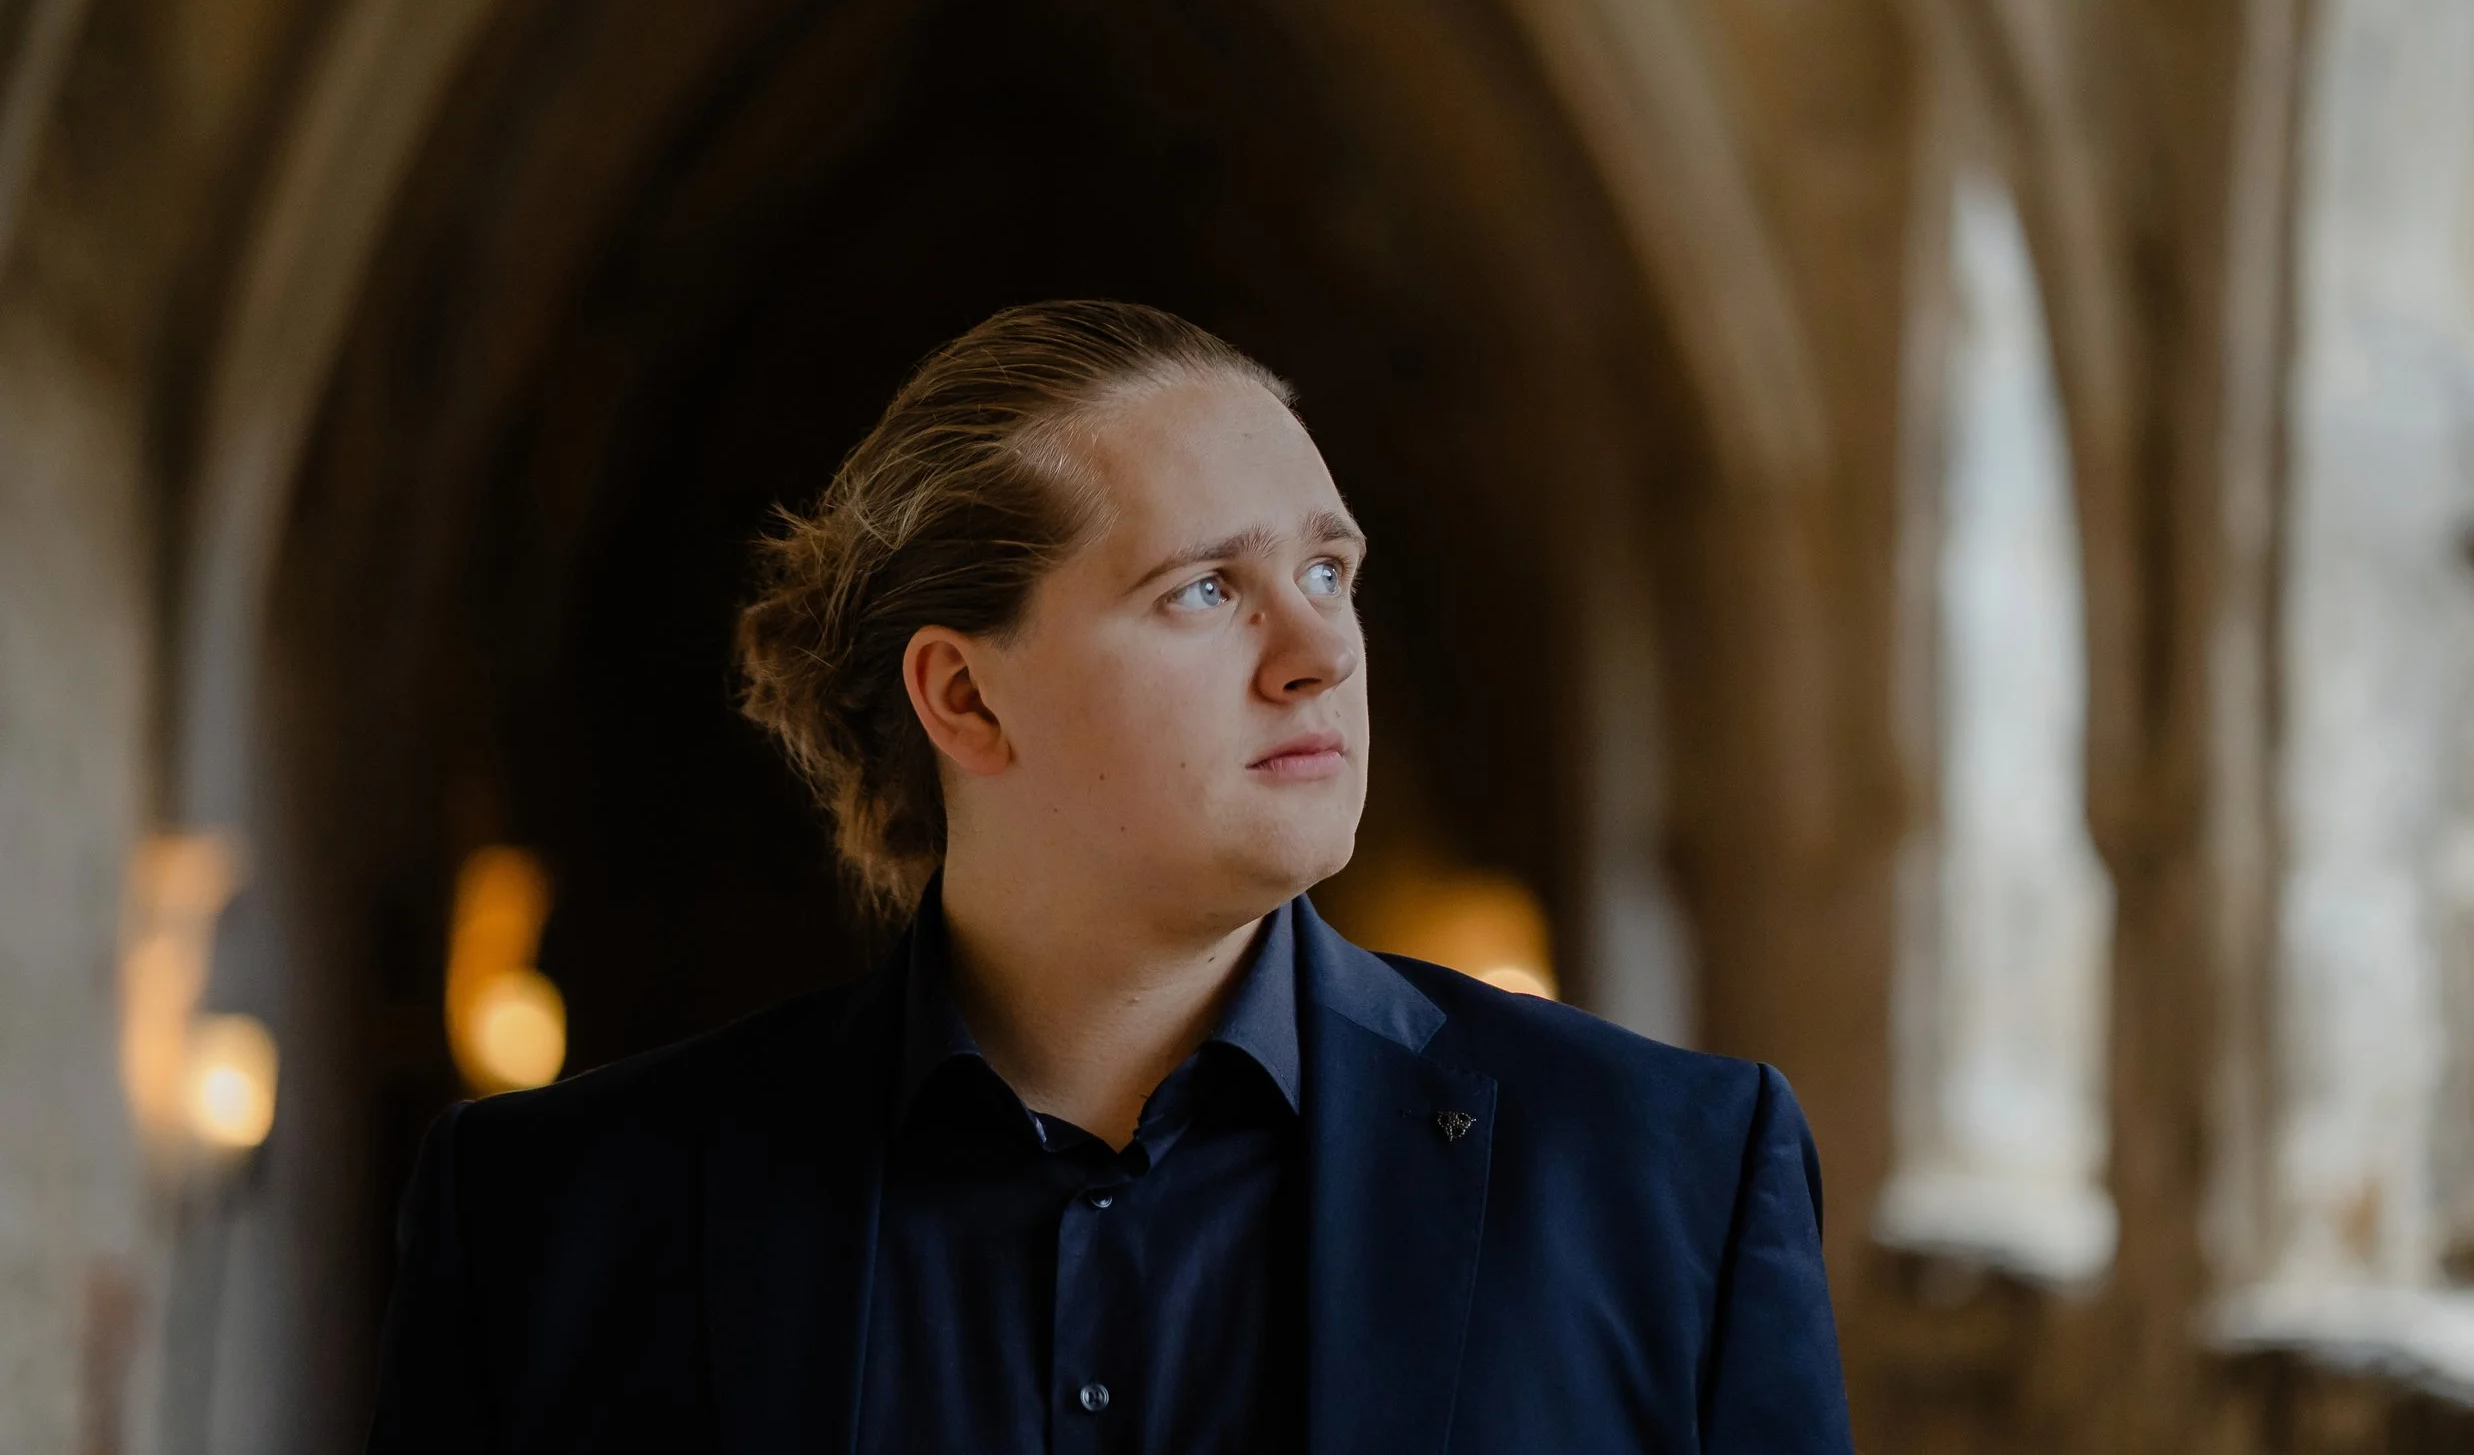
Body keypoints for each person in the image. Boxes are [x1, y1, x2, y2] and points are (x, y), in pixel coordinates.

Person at [366, 300, 1851, 1453]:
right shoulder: (550, 1223)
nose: (1319, 649)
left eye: (1330, 571)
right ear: (963, 699)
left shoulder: (1674, 1182)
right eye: (1206, 587)